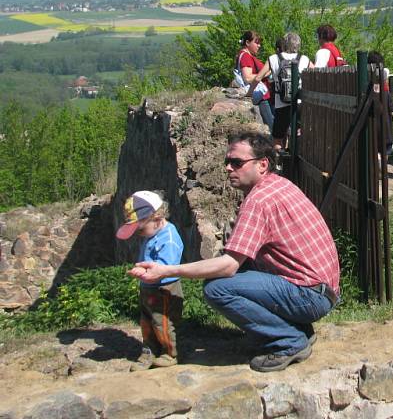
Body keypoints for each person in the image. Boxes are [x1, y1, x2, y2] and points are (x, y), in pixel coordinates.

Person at [130, 131, 340, 373]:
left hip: (311, 296)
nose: (229, 168)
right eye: (227, 162)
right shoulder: (278, 185)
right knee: (240, 270)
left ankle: (289, 342)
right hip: (321, 289)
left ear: (262, 165)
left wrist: (167, 270)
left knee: (217, 288)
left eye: (237, 163)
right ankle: (298, 331)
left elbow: (228, 265)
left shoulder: (258, 201)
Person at [117, 190, 184, 370]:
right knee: (146, 320)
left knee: (162, 322)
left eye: (139, 227)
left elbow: (167, 267)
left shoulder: (168, 238)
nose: (138, 233)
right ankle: (149, 349)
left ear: (156, 217)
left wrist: (144, 269)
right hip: (148, 287)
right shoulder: (150, 233)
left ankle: (170, 353)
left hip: (164, 289)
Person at [267, 32, 312, 152]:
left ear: (284, 43)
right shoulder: (304, 59)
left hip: (281, 103)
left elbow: (257, 77)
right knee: (297, 133)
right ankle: (294, 160)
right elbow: (317, 74)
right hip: (299, 102)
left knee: (277, 138)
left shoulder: (274, 58)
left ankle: (279, 164)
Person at [236, 31, 274, 131]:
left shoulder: (245, 55)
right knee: (272, 127)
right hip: (259, 96)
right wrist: (266, 73)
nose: (259, 45)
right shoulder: (245, 56)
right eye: (256, 42)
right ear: (248, 43)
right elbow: (247, 78)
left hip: (259, 95)